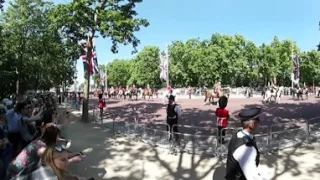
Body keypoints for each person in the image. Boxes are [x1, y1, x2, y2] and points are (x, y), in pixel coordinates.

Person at [225, 108, 268, 180]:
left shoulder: (238, 135)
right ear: (251, 124)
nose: (259, 122)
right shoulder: (247, 148)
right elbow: (252, 177)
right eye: (257, 120)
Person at [11, 145, 86, 179]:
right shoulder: (49, 177)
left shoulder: (45, 164)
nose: (67, 162)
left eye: (67, 158)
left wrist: (75, 178)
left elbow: (61, 175)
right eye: (63, 160)